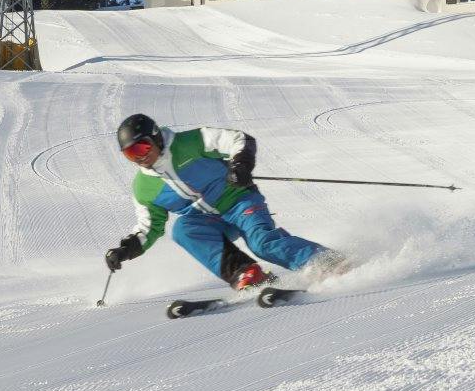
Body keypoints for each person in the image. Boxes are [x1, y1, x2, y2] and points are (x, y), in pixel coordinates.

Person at [104, 112, 338, 291]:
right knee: (183, 229)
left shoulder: (190, 142)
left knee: (262, 244)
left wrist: (240, 165)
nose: (141, 157)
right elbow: (149, 227)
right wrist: (126, 249)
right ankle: (246, 273)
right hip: (208, 220)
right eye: (131, 154)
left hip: (239, 201)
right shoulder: (143, 188)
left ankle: (326, 262)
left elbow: (239, 139)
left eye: (142, 147)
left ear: (156, 137)